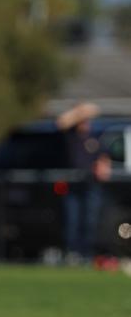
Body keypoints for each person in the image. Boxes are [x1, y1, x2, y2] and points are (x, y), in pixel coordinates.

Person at [56, 102, 111, 265]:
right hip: (73, 184)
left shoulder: (94, 138)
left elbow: (103, 158)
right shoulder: (71, 136)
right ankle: (72, 253)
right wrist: (79, 112)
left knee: (90, 220)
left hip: (91, 185)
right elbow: (61, 122)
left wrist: (103, 166)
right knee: (72, 220)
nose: (84, 122)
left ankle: (87, 253)